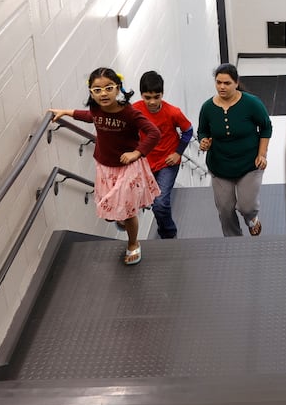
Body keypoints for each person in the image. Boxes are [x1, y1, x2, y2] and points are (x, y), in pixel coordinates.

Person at [52, 67, 160, 265]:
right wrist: (66, 112)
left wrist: (136, 153)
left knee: (127, 214)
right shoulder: (96, 109)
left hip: (128, 168)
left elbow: (154, 133)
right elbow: (89, 116)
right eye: (97, 90)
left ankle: (133, 244)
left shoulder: (129, 113)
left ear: (118, 88)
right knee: (110, 216)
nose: (103, 93)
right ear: (91, 92)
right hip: (105, 167)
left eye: (108, 88)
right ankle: (120, 219)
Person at [196, 63, 273, 237]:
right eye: (218, 82)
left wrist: (262, 154)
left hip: (249, 164)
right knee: (225, 210)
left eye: (227, 83)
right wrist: (203, 141)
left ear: (236, 83)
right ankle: (234, 242)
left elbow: (266, 127)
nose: (222, 87)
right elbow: (202, 131)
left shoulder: (251, 103)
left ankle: (252, 219)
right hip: (220, 166)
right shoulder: (207, 107)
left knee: (247, 206)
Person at [131, 70, 194, 240]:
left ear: (162, 94)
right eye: (147, 97)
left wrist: (177, 153)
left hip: (168, 162)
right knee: (148, 201)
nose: (152, 102)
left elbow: (188, 131)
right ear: (141, 95)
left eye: (156, 97)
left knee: (159, 203)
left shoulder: (173, 112)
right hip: (145, 163)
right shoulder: (134, 110)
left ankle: (168, 234)